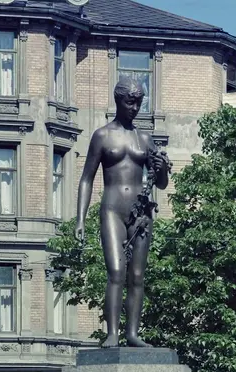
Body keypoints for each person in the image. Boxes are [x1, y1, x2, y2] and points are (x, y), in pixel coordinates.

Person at [74, 77, 171, 347]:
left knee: (137, 275)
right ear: (118, 100)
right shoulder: (103, 136)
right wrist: (80, 219)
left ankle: (132, 333)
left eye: (139, 102)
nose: (135, 108)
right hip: (112, 210)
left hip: (141, 213)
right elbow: (86, 178)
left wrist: (161, 166)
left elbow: (160, 183)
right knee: (116, 272)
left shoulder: (145, 138)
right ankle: (112, 334)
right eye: (130, 102)